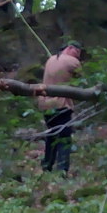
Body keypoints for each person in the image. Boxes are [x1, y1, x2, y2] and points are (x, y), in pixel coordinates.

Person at [40, 41, 85, 172]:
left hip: (45, 104)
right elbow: (82, 81)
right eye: (77, 52)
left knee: (51, 135)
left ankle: (47, 166)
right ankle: (62, 170)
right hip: (62, 104)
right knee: (64, 138)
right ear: (70, 48)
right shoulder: (73, 61)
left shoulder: (50, 60)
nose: (78, 56)